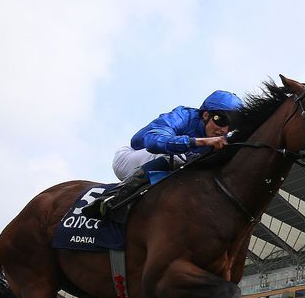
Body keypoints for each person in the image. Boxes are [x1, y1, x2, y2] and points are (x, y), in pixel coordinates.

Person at [82, 90, 244, 217]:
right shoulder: (183, 116)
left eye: (231, 126)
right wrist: (202, 141)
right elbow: (153, 142)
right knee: (177, 157)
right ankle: (111, 199)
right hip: (130, 158)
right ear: (205, 114)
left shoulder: (223, 139)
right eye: (220, 120)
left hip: (163, 171)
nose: (224, 129)